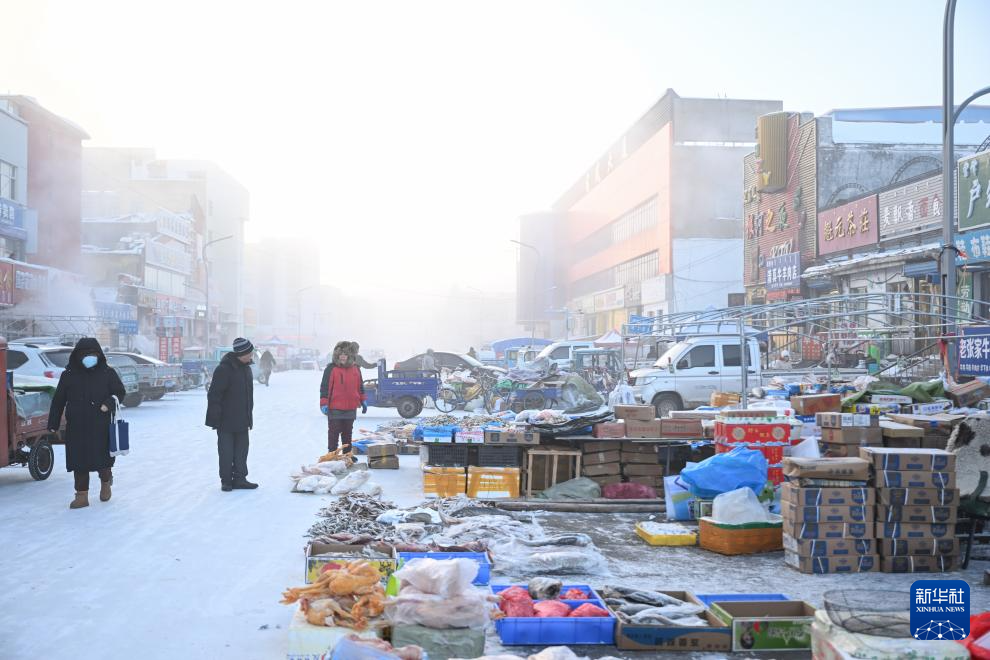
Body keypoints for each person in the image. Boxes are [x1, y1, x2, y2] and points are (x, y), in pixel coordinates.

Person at [47, 337, 127, 509]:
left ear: (99, 355)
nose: (90, 357)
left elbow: (120, 392)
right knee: (79, 462)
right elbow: (58, 400)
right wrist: (53, 423)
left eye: (93, 354)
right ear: (77, 355)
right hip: (77, 427)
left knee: (103, 461)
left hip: (101, 426)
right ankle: (81, 496)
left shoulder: (107, 373)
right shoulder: (68, 375)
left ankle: (105, 482)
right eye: (85, 354)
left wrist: (108, 403)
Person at [206, 337, 257, 491]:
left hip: (242, 419)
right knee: (226, 452)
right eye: (249, 353)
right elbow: (214, 395)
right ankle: (226, 481)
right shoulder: (224, 369)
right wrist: (215, 419)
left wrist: (249, 417)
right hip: (226, 420)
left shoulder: (246, 368)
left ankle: (240, 479)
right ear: (241, 353)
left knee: (242, 451)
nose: (251, 355)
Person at [320, 341, 367, 454]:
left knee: (347, 433)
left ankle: (347, 455)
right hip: (335, 407)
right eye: (340, 354)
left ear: (350, 355)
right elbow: (324, 387)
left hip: (351, 407)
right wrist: (324, 403)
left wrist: (363, 400)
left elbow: (360, 386)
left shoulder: (356, 369)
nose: (342, 357)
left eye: (345, 354)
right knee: (334, 433)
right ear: (336, 355)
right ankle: (332, 455)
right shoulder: (331, 369)